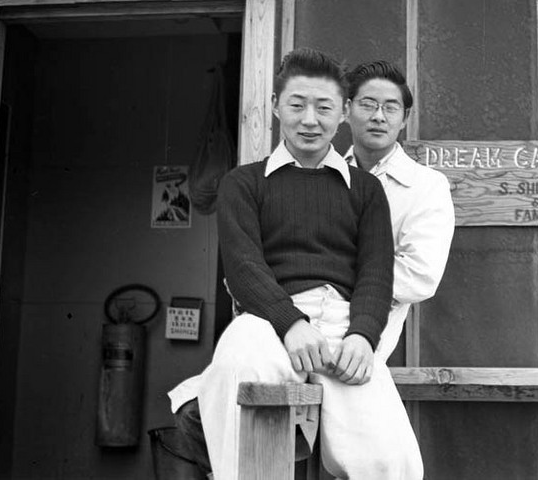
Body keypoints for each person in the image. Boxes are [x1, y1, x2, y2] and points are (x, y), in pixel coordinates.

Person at [168, 48, 422, 480]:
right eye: (297, 105)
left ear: (342, 112)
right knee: (243, 373)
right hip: (267, 319)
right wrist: (291, 324)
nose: (310, 120)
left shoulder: (364, 190)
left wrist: (363, 337)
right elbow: (244, 269)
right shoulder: (243, 183)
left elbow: (376, 275)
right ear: (274, 107)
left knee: (391, 462)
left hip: (343, 329)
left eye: (323, 108)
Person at [343, 60, 455, 361]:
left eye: (390, 108)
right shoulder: (322, 176)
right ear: (346, 109)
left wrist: (330, 270)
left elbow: (420, 275)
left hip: (363, 344)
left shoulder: (426, 186)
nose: (378, 116)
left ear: (404, 118)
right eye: (367, 105)